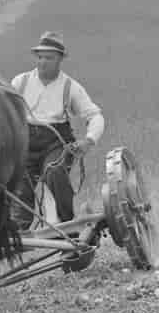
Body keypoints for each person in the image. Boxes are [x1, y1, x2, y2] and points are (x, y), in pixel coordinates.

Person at [11, 31, 105, 226]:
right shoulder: (20, 82)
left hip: (55, 143)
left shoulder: (71, 87)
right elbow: (5, 112)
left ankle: (67, 224)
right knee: (19, 184)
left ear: (60, 59)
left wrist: (88, 140)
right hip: (24, 142)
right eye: (40, 57)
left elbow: (95, 116)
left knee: (54, 171)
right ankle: (20, 229)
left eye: (49, 58)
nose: (43, 62)